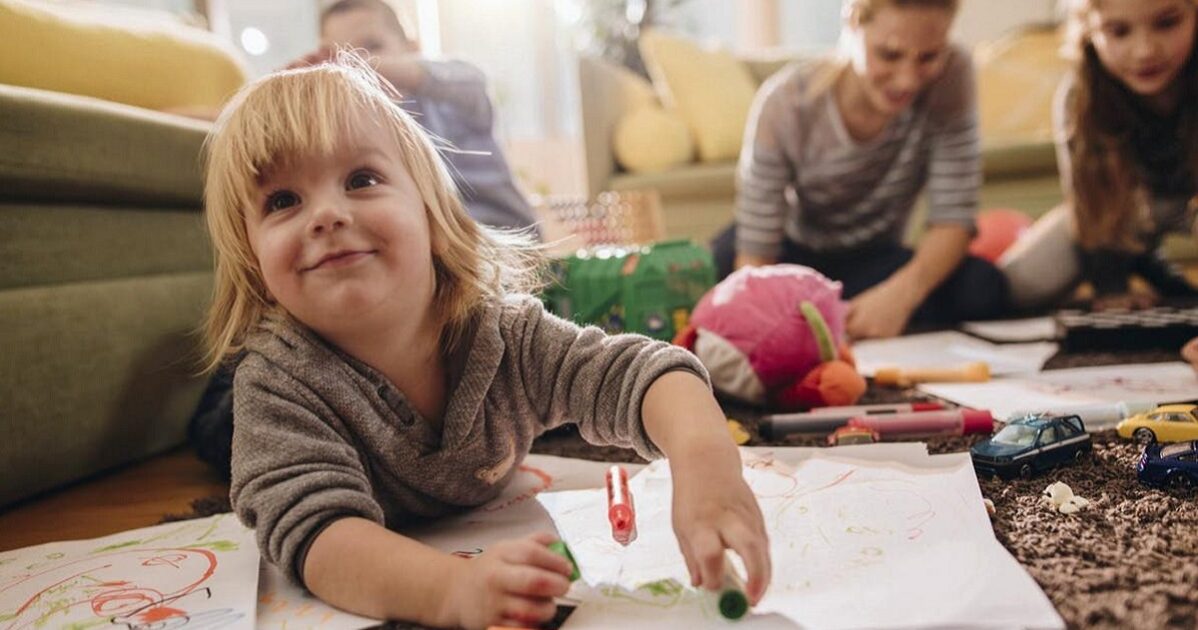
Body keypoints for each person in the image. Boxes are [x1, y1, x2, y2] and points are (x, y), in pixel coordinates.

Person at [200, 56, 770, 629]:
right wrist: (451, 589)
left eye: (361, 180)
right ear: (251, 260)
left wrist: (705, 462)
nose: (326, 214)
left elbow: (645, 372)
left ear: (432, 215)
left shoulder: (506, 333)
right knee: (218, 429)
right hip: (256, 405)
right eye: (282, 201)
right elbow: (317, 537)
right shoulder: (276, 384)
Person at [712, 0, 1008, 339]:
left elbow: (953, 219)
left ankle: (842, 311)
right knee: (719, 269)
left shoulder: (952, 74)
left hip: (875, 259)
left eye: (928, 57)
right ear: (853, 21)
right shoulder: (785, 103)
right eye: (889, 55)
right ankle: (834, 312)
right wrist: (772, 320)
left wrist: (898, 298)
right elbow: (756, 252)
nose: (907, 81)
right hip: (790, 254)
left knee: (984, 287)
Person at [999, 0, 1198, 310]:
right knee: (1013, 286)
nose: (1145, 51)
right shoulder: (1079, 98)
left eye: (1166, 23)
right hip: (1123, 214)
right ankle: (1142, 265)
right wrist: (1111, 288)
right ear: (1088, 29)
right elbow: (1091, 209)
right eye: (1119, 31)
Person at [292, 0, 538, 233]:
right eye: (338, 55)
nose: (353, 64)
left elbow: (471, 81)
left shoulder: (452, 99)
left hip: (504, 239)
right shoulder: (352, 131)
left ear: (412, 48)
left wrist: (354, 66)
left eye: (372, 46)